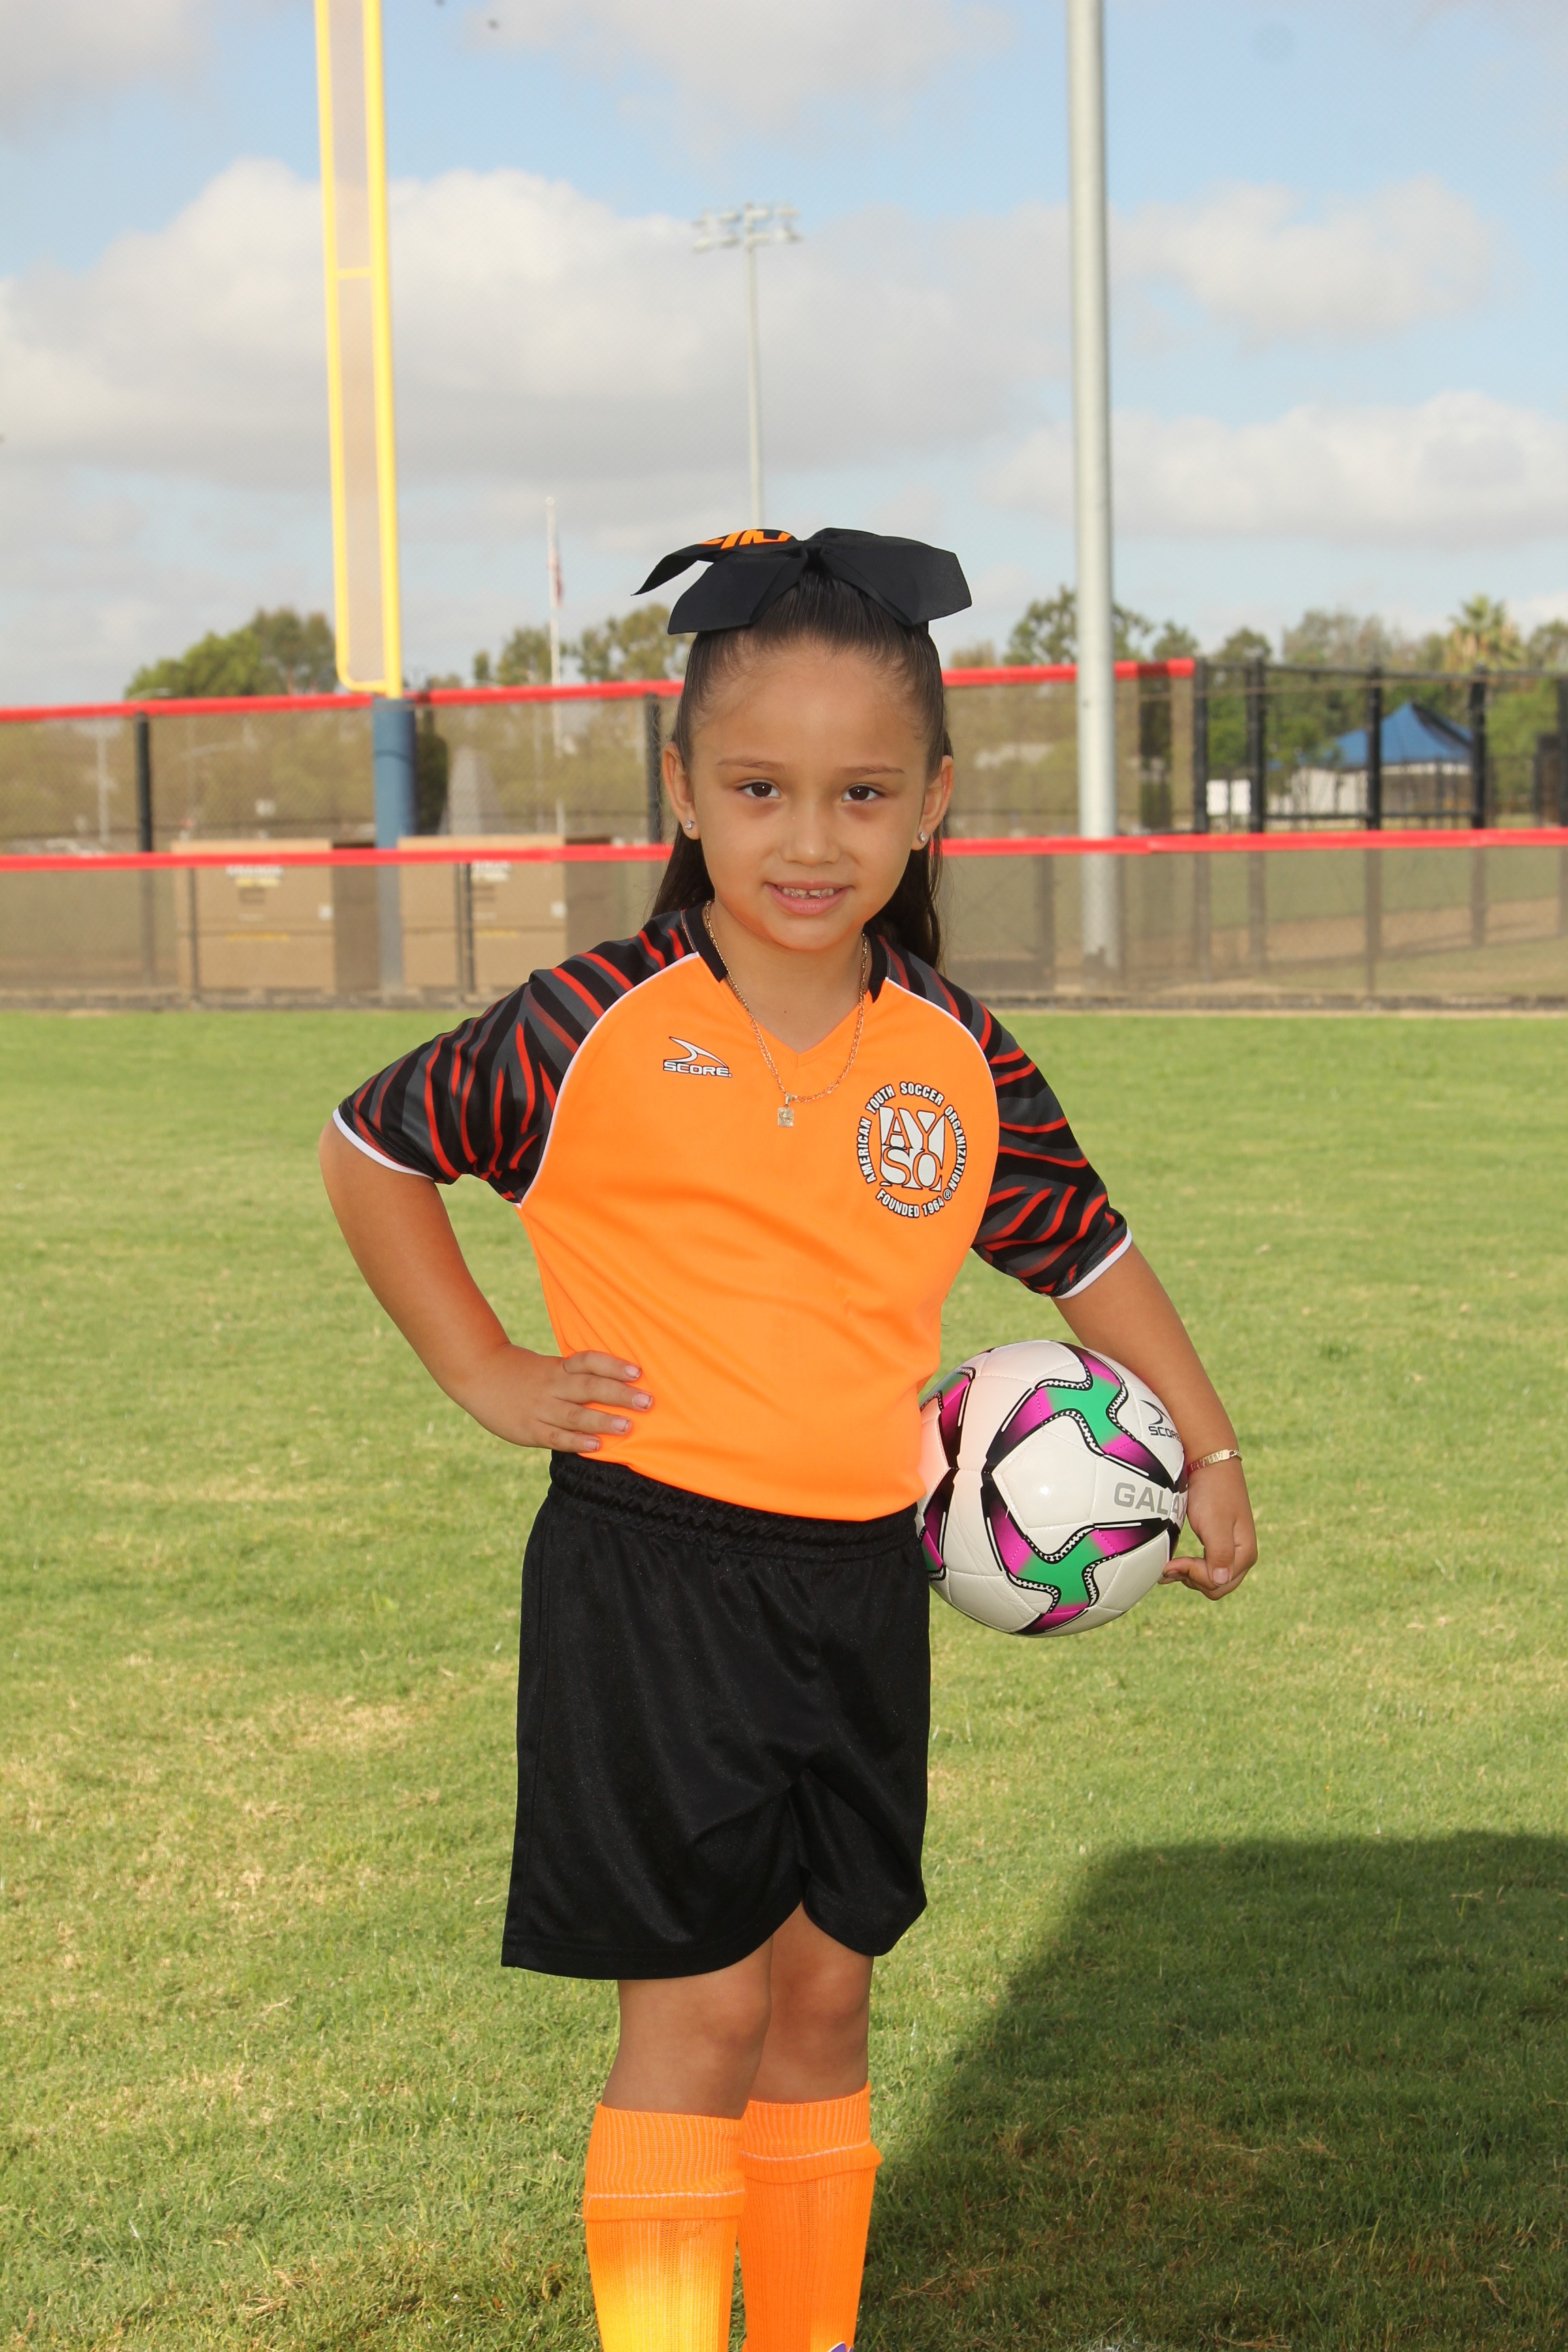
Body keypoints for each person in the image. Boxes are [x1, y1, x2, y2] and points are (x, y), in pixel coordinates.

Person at [318, 526, 1258, 2352]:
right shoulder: (593, 1021)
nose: (809, 840)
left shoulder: (957, 1053)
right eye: (760, 789)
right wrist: (485, 1368)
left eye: (860, 794)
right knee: (702, 2017)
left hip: (861, 1582)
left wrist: (1207, 1453)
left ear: (933, 804)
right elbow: (374, 1146)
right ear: (683, 790)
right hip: (651, 1580)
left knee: (825, 2002)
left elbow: (1085, 1245)